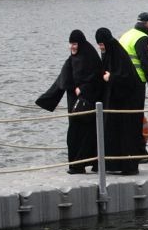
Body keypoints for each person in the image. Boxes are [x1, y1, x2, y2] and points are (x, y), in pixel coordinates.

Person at [36, 30, 106, 175]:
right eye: (70, 44)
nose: (72, 47)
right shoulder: (72, 59)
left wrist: (83, 89)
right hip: (74, 105)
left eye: (75, 44)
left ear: (80, 43)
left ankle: (89, 164)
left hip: (89, 104)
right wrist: (46, 100)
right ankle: (77, 165)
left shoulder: (90, 57)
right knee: (74, 135)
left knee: (88, 134)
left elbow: (97, 78)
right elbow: (62, 79)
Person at [94, 29, 146, 175]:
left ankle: (128, 166)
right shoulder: (109, 54)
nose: (101, 48)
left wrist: (111, 78)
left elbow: (127, 78)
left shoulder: (119, 55)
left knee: (125, 135)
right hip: (114, 102)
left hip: (125, 104)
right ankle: (112, 165)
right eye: (99, 45)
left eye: (102, 44)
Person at [118, 11, 148, 159]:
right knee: (136, 118)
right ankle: (139, 152)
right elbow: (147, 63)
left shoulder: (126, 35)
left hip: (121, 81)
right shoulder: (142, 38)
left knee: (126, 118)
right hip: (136, 81)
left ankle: (127, 150)